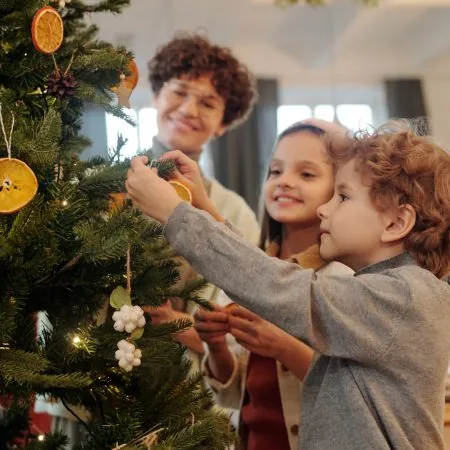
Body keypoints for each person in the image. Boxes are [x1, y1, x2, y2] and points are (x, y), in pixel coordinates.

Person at [126, 122, 450, 449]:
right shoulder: (391, 292)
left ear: (396, 222)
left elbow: (281, 287)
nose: (326, 208)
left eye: (343, 196)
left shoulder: (404, 297)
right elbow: (272, 274)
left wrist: (174, 214)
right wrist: (203, 208)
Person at [194, 119, 352, 449]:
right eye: (276, 171)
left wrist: (281, 345)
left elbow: (356, 395)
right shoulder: (247, 274)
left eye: (306, 174)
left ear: (340, 191)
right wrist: (216, 345)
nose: (284, 182)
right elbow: (235, 393)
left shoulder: (345, 281)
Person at [145, 33, 260, 364]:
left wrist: (175, 324)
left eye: (208, 103)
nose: (188, 109)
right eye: (179, 92)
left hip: (189, 391)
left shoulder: (233, 211)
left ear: (223, 124)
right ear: (155, 95)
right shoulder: (104, 187)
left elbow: (243, 318)